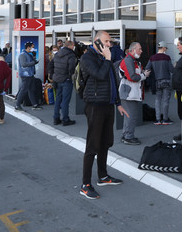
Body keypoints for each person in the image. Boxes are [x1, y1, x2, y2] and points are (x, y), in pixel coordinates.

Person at [79, 30, 129, 200]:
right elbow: (99, 75)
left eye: (110, 42)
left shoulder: (104, 58)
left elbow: (113, 82)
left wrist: (118, 103)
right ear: (97, 41)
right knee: (92, 145)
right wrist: (108, 59)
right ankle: (85, 185)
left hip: (107, 105)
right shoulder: (88, 58)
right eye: (106, 41)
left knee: (105, 142)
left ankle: (102, 176)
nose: (109, 45)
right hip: (94, 106)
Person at [118, 42, 150, 145]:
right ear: (132, 50)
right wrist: (144, 75)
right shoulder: (129, 60)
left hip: (129, 93)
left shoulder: (131, 60)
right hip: (129, 94)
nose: (141, 51)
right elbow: (132, 77)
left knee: (129, 116)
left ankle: (126, 135)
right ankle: (128, 137)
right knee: (131, 116)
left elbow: (132, 76)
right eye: (139, 49)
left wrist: (142, 75)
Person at [49, 40, 77, 126]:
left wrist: (53, 75)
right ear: (70, 46)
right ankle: (65, 119)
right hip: (66, 80)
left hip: (57, 79)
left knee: (58, 99)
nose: (74, 47)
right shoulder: (71, 55)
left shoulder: (57, 54)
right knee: (65, 101)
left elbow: (51, 65)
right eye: (73, 46)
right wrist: (69, 76)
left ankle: (56, 118)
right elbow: (72, 68)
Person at [146, 41, 174, 125]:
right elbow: (171, 70)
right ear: (164, 48)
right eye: (166, 48)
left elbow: (147, 68)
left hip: (157, 81)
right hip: (166, 81)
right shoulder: (167, 58)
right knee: (166, 100)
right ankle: (165, 119)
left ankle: (157, 119)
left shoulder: (152, 58)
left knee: (157, 100)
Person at [14, 41, 42, 111]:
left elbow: (32, 62)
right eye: (32, 47)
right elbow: (24, 64)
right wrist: (33, 62)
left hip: (30, 74)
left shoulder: (29, 54)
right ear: (28, 47)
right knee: (24, 90)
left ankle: (34, 104)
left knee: (31, 89)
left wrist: (34, 56)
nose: (33, 49)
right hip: (25, 75)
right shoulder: (23, 55)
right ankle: (17, 105)